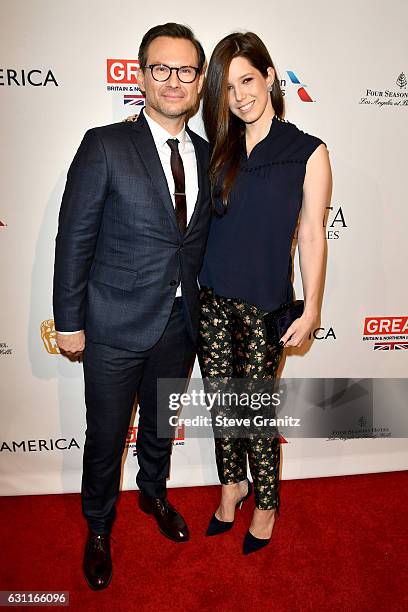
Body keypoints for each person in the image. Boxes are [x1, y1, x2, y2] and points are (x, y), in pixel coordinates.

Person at [53, 23, 210, 589]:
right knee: (105, 434)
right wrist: (68, 321)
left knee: (162, 426)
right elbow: (74, 239)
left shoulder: (210, 154)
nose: (174, 81)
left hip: (181, 323)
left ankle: (154, 495)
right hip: (114, 323)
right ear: (141, 77)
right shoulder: (105, 144)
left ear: (199, 83)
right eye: (161, 69)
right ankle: (98, 526)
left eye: (186, 71)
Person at [198, 32, 332, 555]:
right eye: (228, 88)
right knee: (222, 406)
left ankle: (268, 502)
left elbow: (313, 235)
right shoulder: (218, 149)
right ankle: (232, 486)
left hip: (265, 307)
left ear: (270, 76)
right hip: (212, 298)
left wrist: (313, 307)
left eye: (247, 80)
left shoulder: (308, 151)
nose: (240, 95)